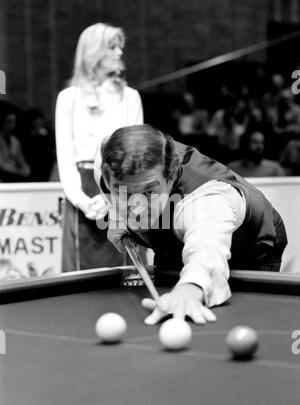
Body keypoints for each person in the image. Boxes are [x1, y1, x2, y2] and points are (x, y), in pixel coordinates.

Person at [94, 124, 287, 326]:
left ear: (170, 179)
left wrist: (191, 286)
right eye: (124, 192)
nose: (138, 208)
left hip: (252, 245)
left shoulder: (206, 200)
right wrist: (117, 216)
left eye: (149, 193)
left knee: (245, 319)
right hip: (175, 240)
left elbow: (206, 246)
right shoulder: (105, 163)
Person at [55, 23, 143, 271]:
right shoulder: (68, 98)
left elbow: (137, 155)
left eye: (120, 47)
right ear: (93, 52)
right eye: (112, 47)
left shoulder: (131, 97)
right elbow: (65, 157)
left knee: (128, 276)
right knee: (79, 280)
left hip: (121, 190)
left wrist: (114, 198)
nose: (120, 53)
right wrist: (82, 201)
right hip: (82, 192)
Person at [0, 109, 31, 182]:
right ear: (2, 122)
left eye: (14, 122)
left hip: (15, 174)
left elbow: (21, 160)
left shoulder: (15, 141)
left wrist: (25, 170)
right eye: (9, 122)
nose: (12, 125)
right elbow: (1, 164)